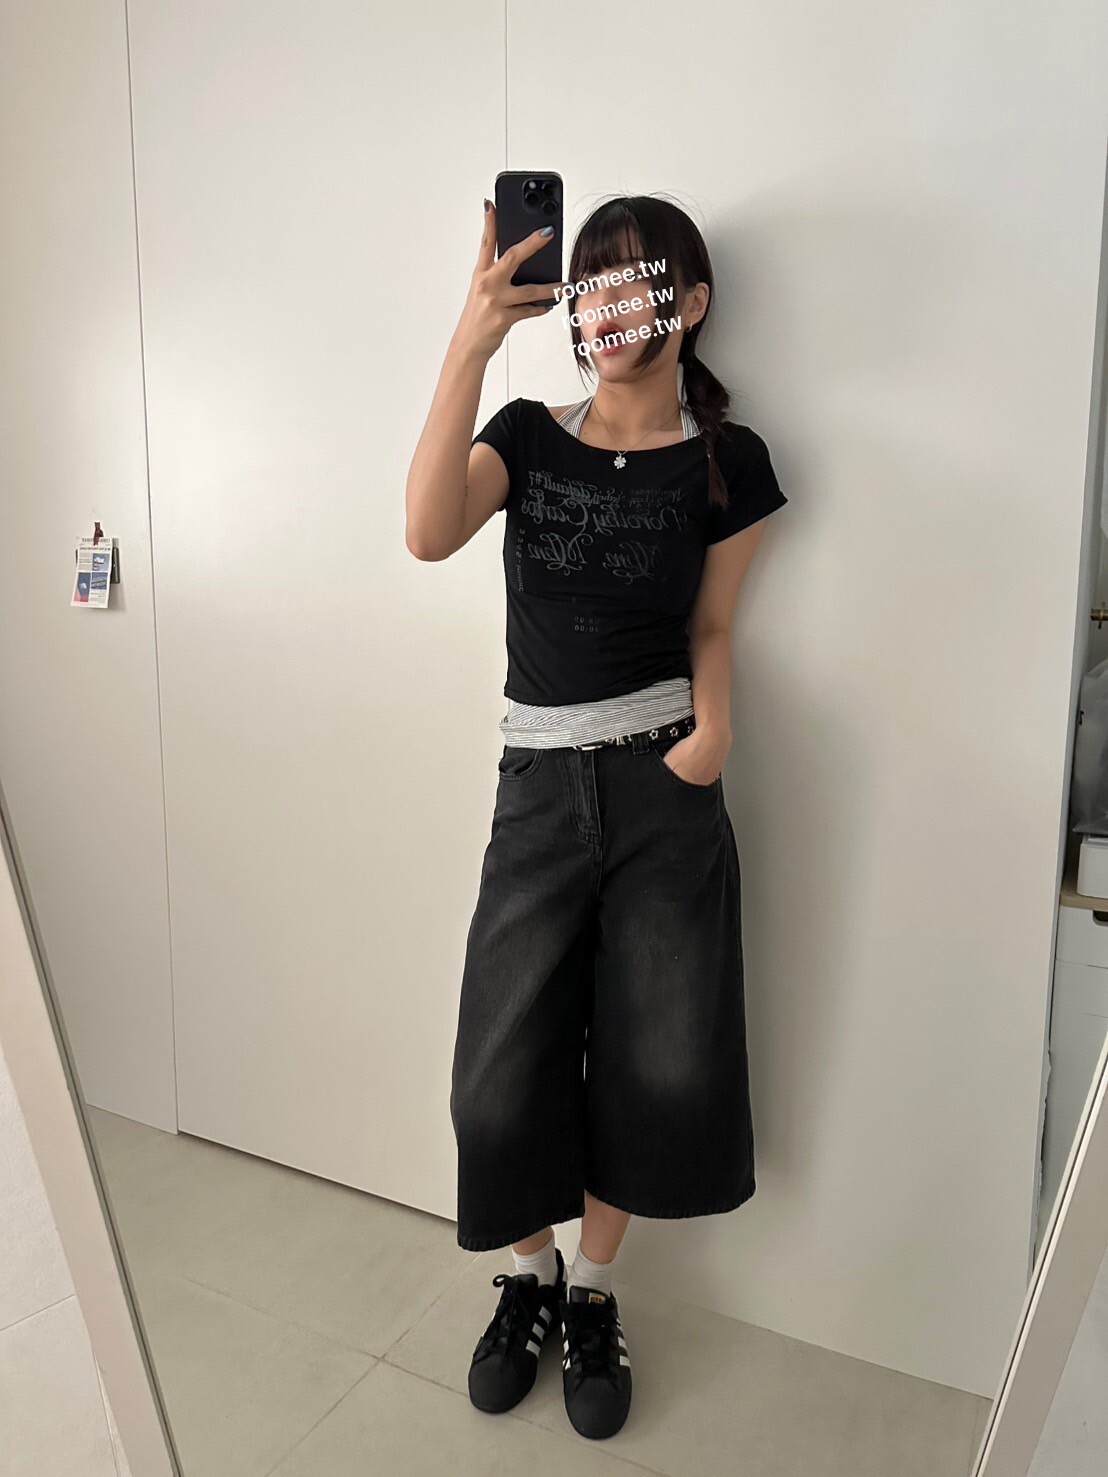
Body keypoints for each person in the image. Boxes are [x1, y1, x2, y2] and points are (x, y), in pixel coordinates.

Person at [405, 192, 788, 1441]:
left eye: (639, 280)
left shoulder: (728, 461)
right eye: (593, 282)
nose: (611, 305)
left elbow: (714, 624)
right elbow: (426, 532)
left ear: (692, 301)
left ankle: (594, 1292)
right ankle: (528, 1274)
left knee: (654, 1061)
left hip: (662, 786)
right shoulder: (526, 434)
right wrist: (472, 339)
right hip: (537, 789)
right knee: (497, 1078)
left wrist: (710, 736)